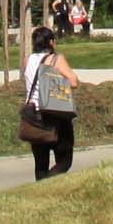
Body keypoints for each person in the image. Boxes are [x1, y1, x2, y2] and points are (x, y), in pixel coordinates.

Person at [22, 25, 80, 180]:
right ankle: (50, 182)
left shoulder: (27, 60)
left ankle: (41, 188)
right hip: (54, 113)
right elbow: (73, 82)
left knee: (40, 162)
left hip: (33, 113)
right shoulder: (55, 59)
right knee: (64, 160)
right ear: (52, 43)